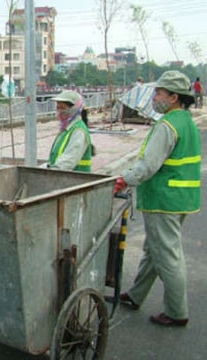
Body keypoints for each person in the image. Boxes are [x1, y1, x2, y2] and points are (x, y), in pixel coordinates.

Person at [114, 70, 201, 327]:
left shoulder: (167, 125)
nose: (153, 97)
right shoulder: (185, 120)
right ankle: (136, 294)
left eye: (158, 93)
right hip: (181, 198)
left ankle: (176, 312)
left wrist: (123, 179)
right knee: (154, 251)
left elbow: (147, 166)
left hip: (164, 200)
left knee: (168, 257)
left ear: (174, 97)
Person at [47, 90, 92, 172]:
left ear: (74, 108)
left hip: (76, 180)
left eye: (63, 108)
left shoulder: (79, 131)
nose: (59, 111)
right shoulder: (65, 129)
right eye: (58, 107)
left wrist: (51, 172)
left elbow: (69, 159)